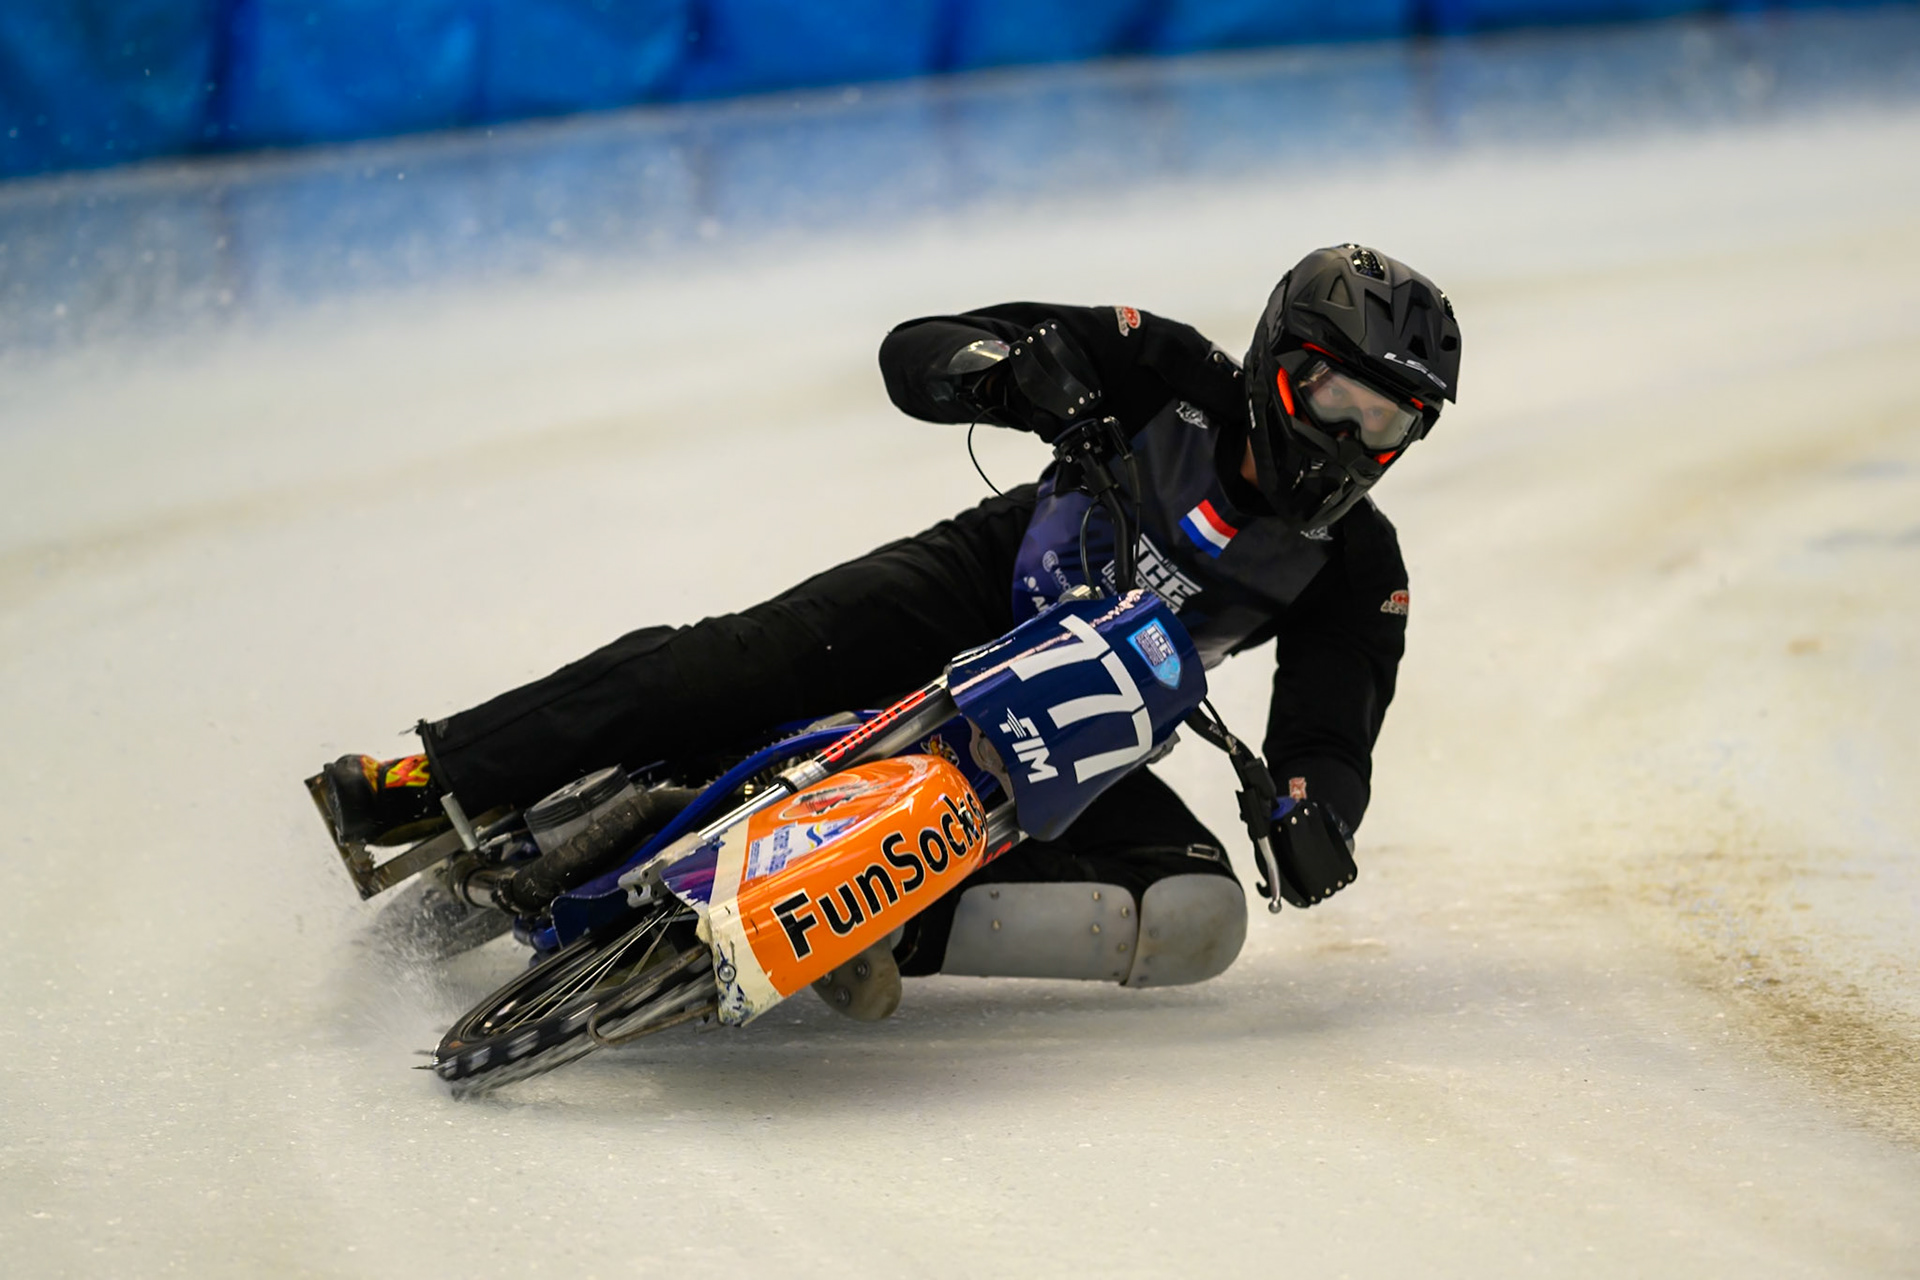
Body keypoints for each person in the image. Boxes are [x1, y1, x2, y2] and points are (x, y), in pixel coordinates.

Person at [316, 243, 1461, 1015]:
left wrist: (1314, 817)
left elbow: (1331, 734)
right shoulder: (1158, 364)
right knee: (731, 661)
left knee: (1196, 912)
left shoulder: (1359, 568)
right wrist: (1007, 373)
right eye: (1334, 400)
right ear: (1277, 360)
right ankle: (435, 773)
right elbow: (920, 346)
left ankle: (870, 927)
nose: (1350, 442)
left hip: (1079, 728)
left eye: (1387, 423)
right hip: (976, 587)